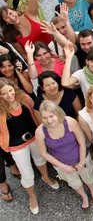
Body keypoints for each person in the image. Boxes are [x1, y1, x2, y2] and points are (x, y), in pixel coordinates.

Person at [0, 79, 59, 214]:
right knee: (26, 173)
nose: (9, 95)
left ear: (14, 88)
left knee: (40, 160)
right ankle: (32, 196)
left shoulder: (25, 98)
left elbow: (36, 115)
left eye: (10, 90)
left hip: (34, 137)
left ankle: (46, 177)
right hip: (16, 146)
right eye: (4, 94)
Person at [35, 101, 93, 210]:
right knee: (74, 182)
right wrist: (63, 166)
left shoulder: (70, 122)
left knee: (89, 177)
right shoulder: (40, 132)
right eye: (44, 118)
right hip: (61, 164)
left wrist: (81, 162)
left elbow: (81, 142)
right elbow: (43, 153)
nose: (49, 120)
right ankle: (84, 196)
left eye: (51, 116)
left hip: (81, 158)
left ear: (57, 113)